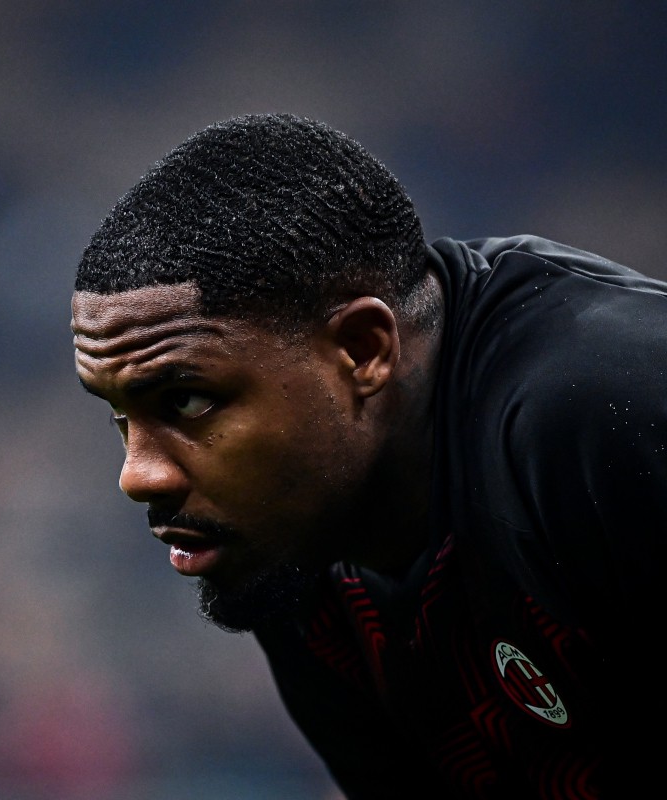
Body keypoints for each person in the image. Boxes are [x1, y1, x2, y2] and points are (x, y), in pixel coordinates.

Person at [69, 113, 665, 799]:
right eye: (121, 417)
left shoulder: (607, 418)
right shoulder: (294, 542)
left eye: (188, 401)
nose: (138, 475)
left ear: (362, 350)